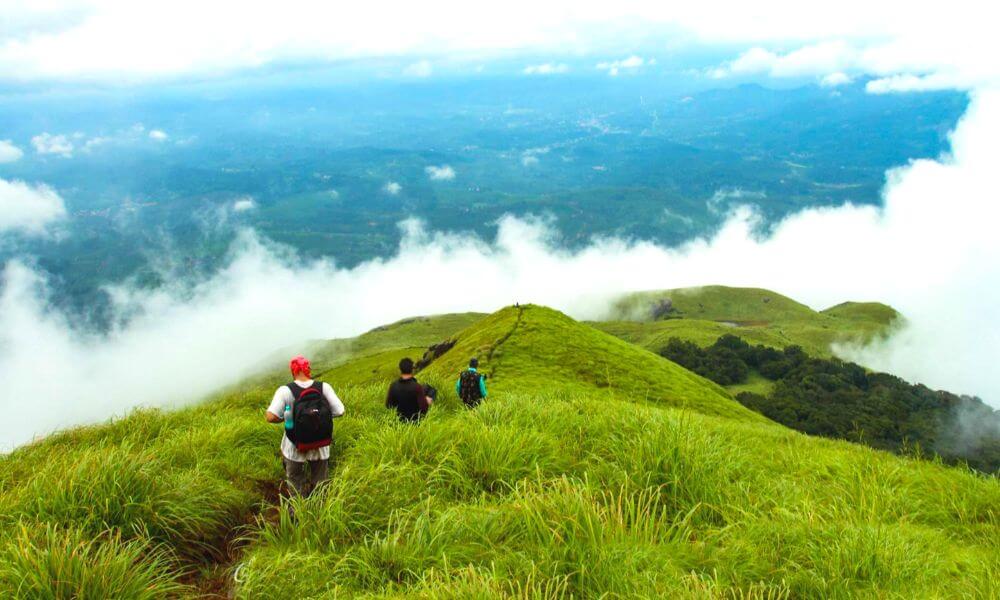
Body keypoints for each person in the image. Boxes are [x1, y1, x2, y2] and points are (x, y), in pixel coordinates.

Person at [265, 355, 345, 496]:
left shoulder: (285, 391)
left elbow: (271, 417)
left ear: (293, 372)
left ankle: (297, 513)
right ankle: (320, 512)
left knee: (295, 482)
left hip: (294, 446)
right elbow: (340, 411)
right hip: (321, 445)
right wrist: (319, 417)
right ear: (308, 370)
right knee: (320, 485)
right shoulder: (324, 387)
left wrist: (288, 418)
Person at [386, 357, 433, 422]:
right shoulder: (417, 387)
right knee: (431, 390)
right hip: (416, 421)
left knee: (425, 387)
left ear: (400, 369)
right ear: (412, 369)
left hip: (400, 420)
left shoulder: (393, 386)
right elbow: (424, 408)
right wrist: (427, 401)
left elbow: (388, 405)